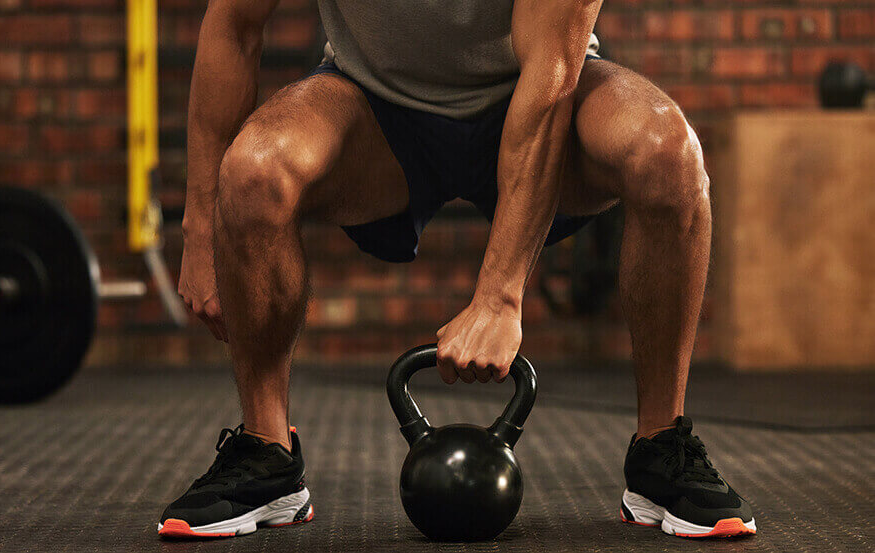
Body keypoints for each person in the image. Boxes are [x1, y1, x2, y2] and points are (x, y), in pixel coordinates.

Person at [158, 0, 756, 540]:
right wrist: (203, 226)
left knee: (668, 155)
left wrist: (500, 298)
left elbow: (550, 79)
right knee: (254, 172)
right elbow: (234, 25)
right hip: (374, 104)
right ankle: (266, 456)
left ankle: (660, 448)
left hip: (537, 90)